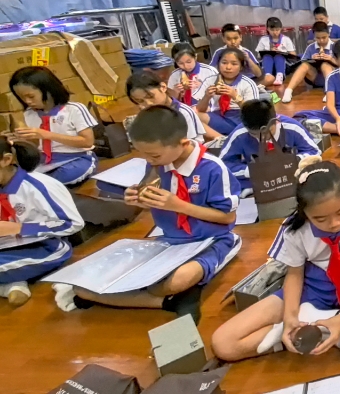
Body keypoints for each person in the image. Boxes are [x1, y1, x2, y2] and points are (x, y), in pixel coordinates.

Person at [210, 159, 340, 362]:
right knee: (224, 344)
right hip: (312, 288)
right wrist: (290, 317)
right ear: (304, 212)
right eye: (320, 219)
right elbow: (295, 274)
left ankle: (318, 326)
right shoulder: (294, 228)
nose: (334, 223)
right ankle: (321, 331)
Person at [54, 106, 241, 322]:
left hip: (209, 240)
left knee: (176, 281)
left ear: (182, 143)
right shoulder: (158, 162)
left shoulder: (212, 168)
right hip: (167, 241)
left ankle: (141, 296)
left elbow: (228, 217)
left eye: (153, 155)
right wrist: (137, 199)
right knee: (81, 287)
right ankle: (167, 302)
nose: (149, 160)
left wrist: (179, 205)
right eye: (142, 153)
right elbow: (149, 196)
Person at [0, 139, 83, 307]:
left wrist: (21, 228)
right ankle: (12, 284)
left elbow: (72, 223)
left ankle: (11, 283)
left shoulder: (39, 185)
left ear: (6, 160)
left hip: (45, 248)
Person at [10, 67, 97, 186]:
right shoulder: (29, 114)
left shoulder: (74, 109)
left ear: (49, 90)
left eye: (31, 96)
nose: (27, 101)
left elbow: (87, 141)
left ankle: (45, 183)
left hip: (76, 158)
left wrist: (47, 135)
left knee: (64, 175)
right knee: (15, 177)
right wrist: (18, 140)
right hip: (43, 161)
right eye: (21, 98)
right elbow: (35, 145)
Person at [220, 100, 320, 194]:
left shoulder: (291, 127)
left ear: (276, 121)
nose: (263, 137)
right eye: (254, 134)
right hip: (259, 178)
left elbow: (314, 151)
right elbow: (223, 164)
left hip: (290, 174)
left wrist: (294, 161)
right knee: (229, 181)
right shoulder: (239, 134)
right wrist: (250, 171)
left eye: (268, 132)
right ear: (246, 128)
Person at [127, 71, 216, 142]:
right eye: (140, 101)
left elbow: (194, 143)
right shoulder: (146, 116)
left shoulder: (183, 112)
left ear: (163, 87)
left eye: (150, 97)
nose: (148, 104)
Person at [196, 48, 260, 135]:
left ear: (241, 67)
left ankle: (229, 136)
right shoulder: (210, 81)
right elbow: (200, 109)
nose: (228, 67)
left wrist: (235, 96)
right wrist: (207, 97)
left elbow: (253, 112)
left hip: (241, 118)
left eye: (234, 64)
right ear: (218, 64)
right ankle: (220, 139)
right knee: (195, 116)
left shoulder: (248, 83)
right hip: (218, 117)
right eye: (224, 63)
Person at [281, 22, 338, 104]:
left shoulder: (335, 46)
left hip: (331, 77)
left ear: (328, 34)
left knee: (325, 65)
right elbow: (301, 63)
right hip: (315, 77)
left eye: (324, 37)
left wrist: (331, 59)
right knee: (304, 65)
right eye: (318, 38)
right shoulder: (311, 47)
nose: (321, 40)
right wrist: (311, 59)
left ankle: (330, 92)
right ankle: (288, 91)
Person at [167, 43, 218, 107]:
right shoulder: (174, 75)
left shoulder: (210, 71)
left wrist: (203, 87)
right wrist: (176, 93)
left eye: (189, 62)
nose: (186, 66)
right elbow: (170, 101)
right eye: (180, 63)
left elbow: (218, 96)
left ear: (195, 57)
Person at [256, 17, 297, 87]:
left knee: (279, 56)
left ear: (281, 29)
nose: (275, 32)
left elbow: (293, 55)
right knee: (267, 56)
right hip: (267, 65)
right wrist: (269, 51)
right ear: (268, 29)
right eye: (272, 30)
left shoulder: (286, 39)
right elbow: (259, 56)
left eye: (277, 30)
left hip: (284, 65)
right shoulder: (263, 40)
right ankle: (268, 75)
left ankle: (280, 76)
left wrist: (282, 52)